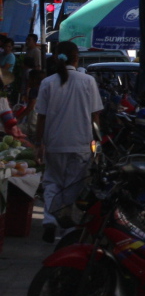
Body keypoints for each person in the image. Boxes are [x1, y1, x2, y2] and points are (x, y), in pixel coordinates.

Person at [32, 41, 105, 242]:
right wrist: (97, 146)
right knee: (72, 187)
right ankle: (66, 230)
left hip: (54, 143)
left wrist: (38, 144)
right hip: (81, 143)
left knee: (51, 183)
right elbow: (95, 118)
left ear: (56, 58)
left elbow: (41, 117)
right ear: (76, 58)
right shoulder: (87, 81)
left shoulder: (47, 83)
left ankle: (49, 220)